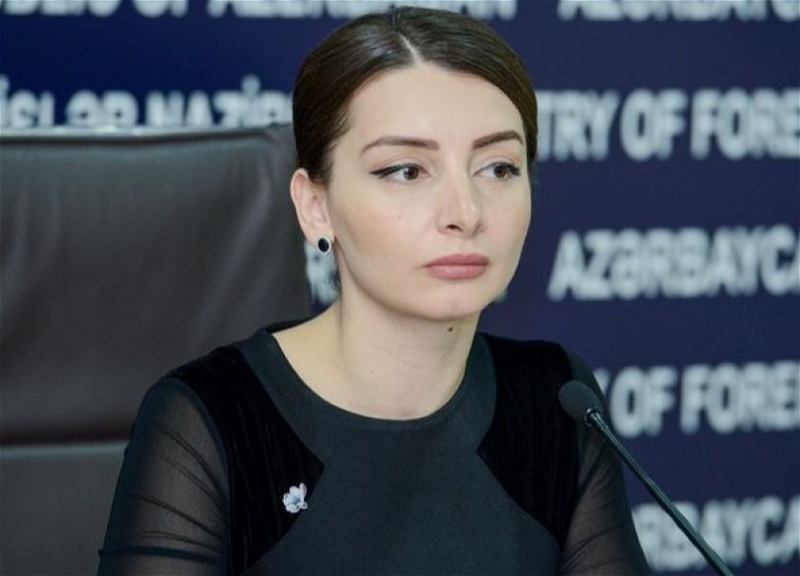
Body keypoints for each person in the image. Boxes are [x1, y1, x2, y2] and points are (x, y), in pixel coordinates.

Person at [97, 6, 650, 575]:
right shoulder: (213, 419)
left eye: (498, 168)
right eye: (406, 170)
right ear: (316, 207)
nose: (466, 212)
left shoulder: (555, 399)